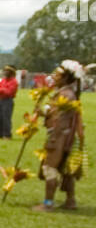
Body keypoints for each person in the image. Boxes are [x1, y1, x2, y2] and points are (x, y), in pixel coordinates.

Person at [32, 60, 86, 212]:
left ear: (66, 77)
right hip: (66, 137)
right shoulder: (69, 94)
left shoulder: (65, 95)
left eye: (57, 74)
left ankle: (48, 203)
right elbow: (56, 114)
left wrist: (54, 139)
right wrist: (42, 112)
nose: (54, 77)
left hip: (59, 137)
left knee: (50, 168)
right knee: (66, 169)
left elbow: (59, 120)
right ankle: (71, 201)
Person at [0, 66, 17, 138]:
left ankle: (7, 134)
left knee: (6, 118)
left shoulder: (14, 81)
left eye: (7, 71)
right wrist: (2, 89)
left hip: (8, 101)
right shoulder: (3, 80)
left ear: (11, 72)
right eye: (5, 71)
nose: (5, 72)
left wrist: (0, 89)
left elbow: (9, 92)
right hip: (0, 100)